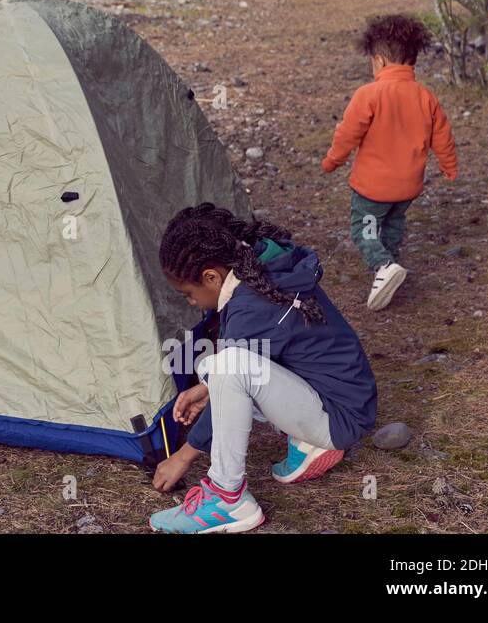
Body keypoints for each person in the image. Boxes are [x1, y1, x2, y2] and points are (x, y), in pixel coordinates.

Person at [147, 204, 378, 534]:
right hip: (337, 395)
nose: (191, 303)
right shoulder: (257, 266)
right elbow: (259, 353)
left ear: (211, 277)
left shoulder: (254, 306)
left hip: (339, 416)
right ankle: (305, 441)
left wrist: (183, 456)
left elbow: (238, 367)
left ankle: (228, 499)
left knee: (225, 364)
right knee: (214, 365)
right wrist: (207, 387)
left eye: (189, 294)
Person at [322, 14, 458, 310]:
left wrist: (333, 160)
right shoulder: (426, 97)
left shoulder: (368, 95)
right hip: (407, 188)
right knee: (393, 226)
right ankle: (390, 269)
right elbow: (443, 137)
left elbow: (347, 134)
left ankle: (383, 267)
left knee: (365, 230)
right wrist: (449, 167)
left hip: (373, 190)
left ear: (380, 61)